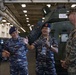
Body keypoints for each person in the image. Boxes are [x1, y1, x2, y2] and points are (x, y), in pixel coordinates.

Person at [61, 6, 76, 75]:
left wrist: (66, 63)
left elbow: (74, 52)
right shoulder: (73, 30)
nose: (69, 17)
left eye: (70, 14)